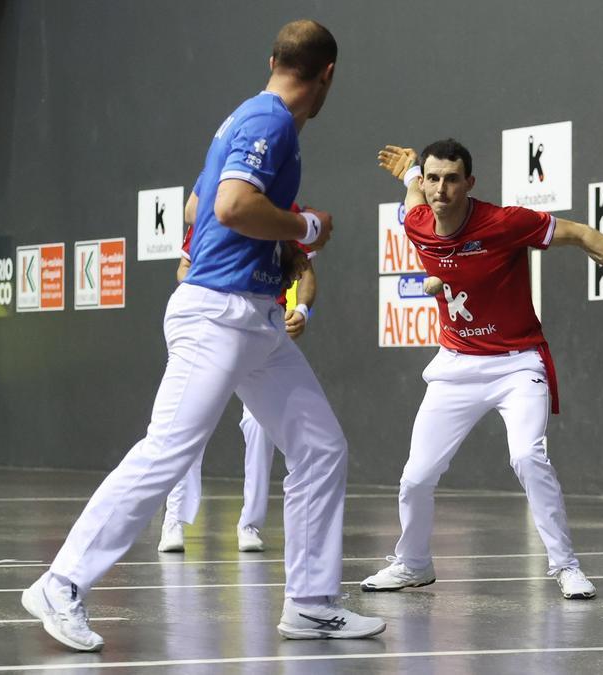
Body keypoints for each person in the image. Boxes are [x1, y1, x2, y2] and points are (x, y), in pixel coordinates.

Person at [22, 20, 385, 652]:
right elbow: (229, 208)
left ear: (274, 59)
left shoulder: (244, 120)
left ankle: (311, 603)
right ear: (328, 75)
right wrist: (303, 227)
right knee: (166, 451)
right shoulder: (269, 123)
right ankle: (61, 582)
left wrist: (276, 243)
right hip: (217, 314)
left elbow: (197, 206)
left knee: (322, 448)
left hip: (258, 320)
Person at [360, 140, 603, 600]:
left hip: (517, 364)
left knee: (527, 457)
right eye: (434, 178)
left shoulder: (505, 222)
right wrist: (411, 173)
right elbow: (414, 197)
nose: (441, 189)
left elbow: (582, 235)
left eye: (452, 179)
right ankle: (413, 563)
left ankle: (566, 566)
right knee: (415, 477)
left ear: (469, 183)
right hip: (456, 365)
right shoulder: (416, 221)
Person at [159, 198, 317, 554]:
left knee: (262, 426)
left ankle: (251, 524)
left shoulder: (291, 212)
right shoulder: (222, 204)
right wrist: (219, 283)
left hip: (264, 330)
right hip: (213, 326)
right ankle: (174, 520)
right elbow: (184, 269)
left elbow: (306, 272)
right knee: (189, 422)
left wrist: (303, 309)